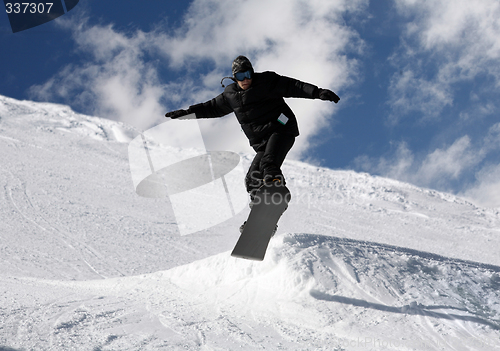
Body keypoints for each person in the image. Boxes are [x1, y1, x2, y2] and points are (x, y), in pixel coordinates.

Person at [165, 55, 340, 203]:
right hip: (262, 141)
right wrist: (187, 113)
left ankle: (275, 185)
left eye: (248, 74)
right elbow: (210, 107)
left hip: (281, 129)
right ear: (235, 77)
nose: (246, 79)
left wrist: (317, 92)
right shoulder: (229, 95)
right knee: (252, 178)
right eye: (241, 76)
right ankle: (262, 212)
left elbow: (293, 86)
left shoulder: (267, 81)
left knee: (269, 163)